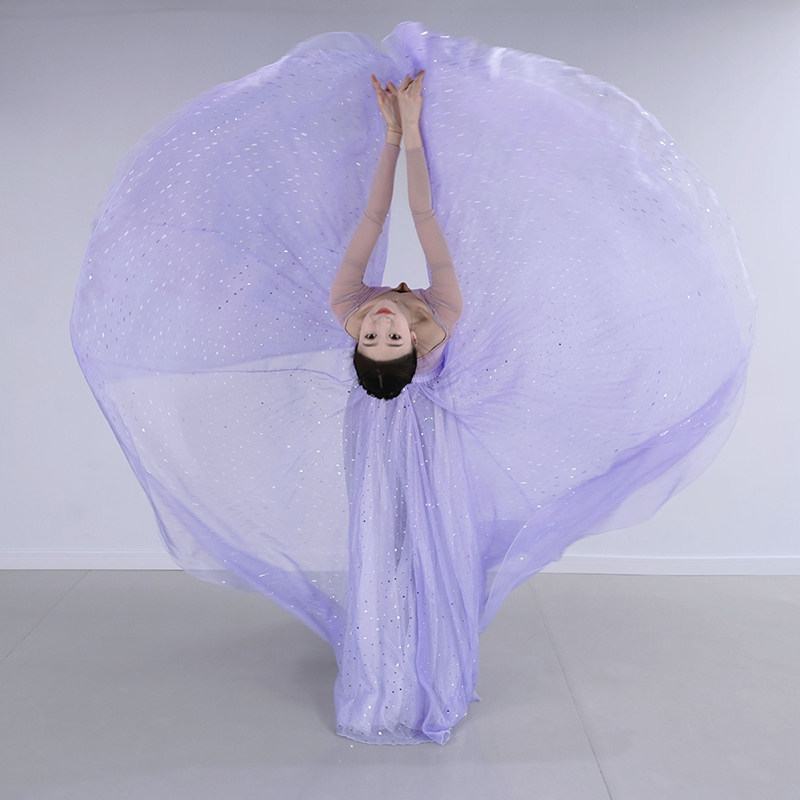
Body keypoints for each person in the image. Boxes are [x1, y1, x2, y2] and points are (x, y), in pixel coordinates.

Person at [329, 72, 462, 398]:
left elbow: (374, 217)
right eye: (394, 338)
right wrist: (411, 125)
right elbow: (423, 215)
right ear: (414, 339)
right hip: (436, 374)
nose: (382, 324)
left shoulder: (345, 304)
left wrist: (393, 130)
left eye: (370, 337)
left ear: (356, 338)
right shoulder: (444, 314)